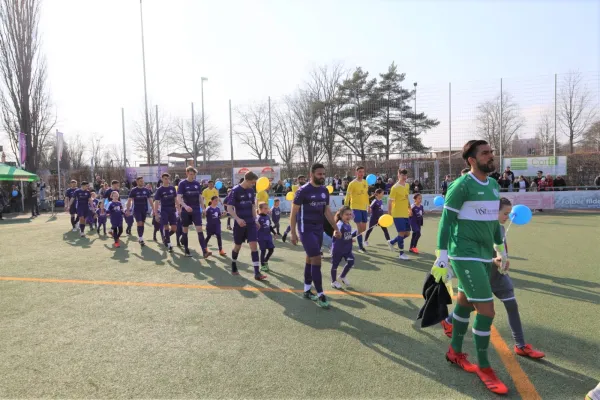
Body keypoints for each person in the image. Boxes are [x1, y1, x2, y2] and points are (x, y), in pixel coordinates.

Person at [431, 139, 508, 395]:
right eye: (485, 153)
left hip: (485, 253)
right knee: (486, 310)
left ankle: (454, 352)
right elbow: (446, 220)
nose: (491, 156)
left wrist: (501, 248)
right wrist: (442, 255)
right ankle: (485, 367)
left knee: (464, 301)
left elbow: (494, 222)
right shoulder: (461, 185)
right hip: (464, 253)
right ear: (472, 160)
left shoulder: (494, 184)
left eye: (491, 152)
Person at [441, 197, 545, 360]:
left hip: (499, 277)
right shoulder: (477, 229)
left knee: (512, 305)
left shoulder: (502, 229)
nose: (508, 217)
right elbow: (471, 255)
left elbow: (502, 251)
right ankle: (448, 320)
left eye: (510, 213)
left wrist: (504, 261)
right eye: (505, 213)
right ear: (492, 212)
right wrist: (492, 261)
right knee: (468, 306)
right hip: (480, 275)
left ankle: (520, 345)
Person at [290, 163, 341, 309]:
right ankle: (320, 294)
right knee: (317, 258)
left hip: (318, 230)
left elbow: (327, 211)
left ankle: (306, 290)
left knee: (310, 258)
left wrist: (335, 228)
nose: (322, 177)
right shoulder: (302, 191)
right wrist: (293, 233)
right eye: (319, 174)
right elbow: (293, 213)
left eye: (324, 174)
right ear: (311, 174)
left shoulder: (325, 191)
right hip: (306, 229)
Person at [226, 171, 267, 280]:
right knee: (237, 246)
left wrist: (255, 219)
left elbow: (253, 206)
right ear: (247, 180)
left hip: (251, 223)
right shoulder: (235, 190)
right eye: (252, 183)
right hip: (240, 224)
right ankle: (234, 264)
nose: (253, 185)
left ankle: (257, 273)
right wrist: (238, 219)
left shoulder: (250, 191)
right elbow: (229, 208)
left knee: (254, 246)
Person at [177, 166, 211, 258]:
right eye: (191, 174)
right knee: (185, 230)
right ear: (187, 173)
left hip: (196, 210)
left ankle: (204, 251)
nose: (192, 176)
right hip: (185, 210)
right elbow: (179, 198)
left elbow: (200, 197)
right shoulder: (182, 184)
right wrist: (185, 206)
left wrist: (203, 208)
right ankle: (187, 250)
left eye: (194, 174)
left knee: (199, 230)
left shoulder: (197, 184)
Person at [387, 169, 412, 260]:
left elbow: (407, 198)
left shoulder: (407, 185)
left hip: (405, 213)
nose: (404, 177)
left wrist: (409, 208)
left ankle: (392, 242)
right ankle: (401, 254)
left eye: (405, 175)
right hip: (397, 214)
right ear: (398, 175)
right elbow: (390, 202)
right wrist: (389, 214)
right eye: (402, 175)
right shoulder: (395, 187)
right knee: (401, 233)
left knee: (408, 233)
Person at [330, 206, 357, 289]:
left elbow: (345, 236)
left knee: (351, 262)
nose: (349, 216)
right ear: (341, 215)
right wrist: (336, 234)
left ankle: (342, 276)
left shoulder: (347, 224)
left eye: (350, 214)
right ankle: (333, 281)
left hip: (347, 249)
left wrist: (350, 239)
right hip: (338, 249)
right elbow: (336, 233)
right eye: (346, 214)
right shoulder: (339, 224)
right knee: (335, 266)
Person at [344, 166, 369, 253]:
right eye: (360, 172)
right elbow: (347, 195)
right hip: (355, 207)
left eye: (363, 172)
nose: (361, 173)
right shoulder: (352, 184)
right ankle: (360, 247)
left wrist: (368, 205)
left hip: (363, 208)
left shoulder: (365, 182)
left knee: (363, 229)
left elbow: (366, 195)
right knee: (359, 227)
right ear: (356, 173)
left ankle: (349, 237)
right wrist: (346, 207)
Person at [126, 176, 153, 247]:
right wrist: (128, 210)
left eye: (142, 181)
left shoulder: (146, 190)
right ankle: (140, 238)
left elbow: (150, 200)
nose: (142, 182)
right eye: (140, 181)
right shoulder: (133, 190)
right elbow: (129, 201)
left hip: (144, 209)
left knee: (142, 224)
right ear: (137, 182)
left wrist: (154, 209)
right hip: (136, 209)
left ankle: (140, 237)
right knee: (139, 223)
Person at [153, 173, 177, 252]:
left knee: (174, 228)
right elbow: (156, 202)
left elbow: (176, 199)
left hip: (172, 210)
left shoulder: (172, 188)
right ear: (162, 179)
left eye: (168, 178)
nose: (167, 180)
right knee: (166, 227)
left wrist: (179, 209)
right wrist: (156, 214)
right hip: (164, 211)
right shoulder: (160, 190)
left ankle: (165, 238)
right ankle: (169, 245)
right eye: (165, 178)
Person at [281, 175, 307, 242]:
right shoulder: (295, 187)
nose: (302, 180)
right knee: (294, 221)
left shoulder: (306, 187)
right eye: (301, 179)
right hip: (296, 207)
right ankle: (287, 233)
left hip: (304, 207)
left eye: (303, 179)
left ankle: (300, 235)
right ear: (298, 180)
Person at [257, 202, 277, 272]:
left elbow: (270, 226)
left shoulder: (268, 216)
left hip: (268, 236)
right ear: (260, 209)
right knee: (263, 251)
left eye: (267, 208)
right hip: (261, 237)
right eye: (265, 208)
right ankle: (263, 266)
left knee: (271, 249)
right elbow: (255, 228)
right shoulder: (258, 218)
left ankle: (265, 260)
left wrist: (274, 233)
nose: (267, 209)